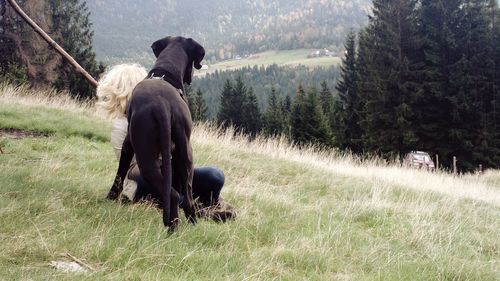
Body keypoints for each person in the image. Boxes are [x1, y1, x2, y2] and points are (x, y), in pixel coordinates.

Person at [96, 63, 235, 222]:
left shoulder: (157, 118)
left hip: (171, 175)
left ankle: (208, 201)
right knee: (146, 178)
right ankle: (197, 210)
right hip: (143, 184)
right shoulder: (122, 126)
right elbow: (132, 170)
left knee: (214, 175)